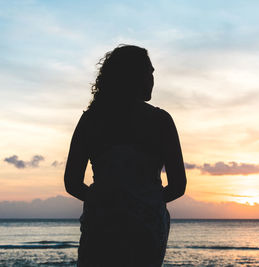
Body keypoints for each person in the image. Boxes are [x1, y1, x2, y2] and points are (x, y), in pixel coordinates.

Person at [64, 45, 187, 266]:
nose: (152, 80)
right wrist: (145, 204)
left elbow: (72, 183)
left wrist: (105, 204)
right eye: (148, 73)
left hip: (102, 225)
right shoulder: (160, 121)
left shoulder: (92, 120)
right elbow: (178, 186)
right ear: (133, 76)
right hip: (144, 228)